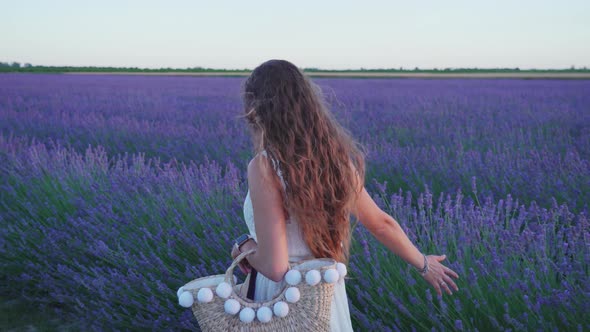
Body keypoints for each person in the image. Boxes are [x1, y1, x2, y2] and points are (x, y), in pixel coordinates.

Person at [230, 59, 459, 331]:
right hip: (325, 293)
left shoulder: (265, 167)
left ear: (257, 109)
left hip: (281, 301)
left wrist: (243, 249)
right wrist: (423, 264)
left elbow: (277, 266)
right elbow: (380, 223)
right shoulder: (335, 160)